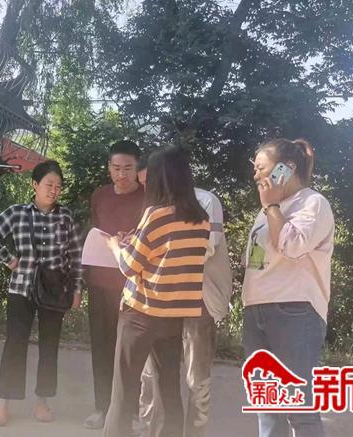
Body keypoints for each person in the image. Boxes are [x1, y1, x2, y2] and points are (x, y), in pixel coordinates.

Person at [103, 145, 211, 437]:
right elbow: (169, 258)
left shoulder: (156, 214)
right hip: (174, 316)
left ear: (161, 178)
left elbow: (129, 266)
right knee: (168, 389)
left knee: (123, 390)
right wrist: (134, 241)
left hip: (140, 314)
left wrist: (115, 246)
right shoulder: (201, 220)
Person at [0, 160, 84, 427]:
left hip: (54, 291)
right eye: (49, 184)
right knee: (15, 344)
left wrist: (76, 288)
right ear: (35, 185)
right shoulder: (17, 213)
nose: (54, 190)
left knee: (49, 346)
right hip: (21, 288)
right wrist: (8, 259)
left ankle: (42, 402)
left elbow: (75, 255)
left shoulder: (65, 217)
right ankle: (2, 405)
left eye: (58, 186)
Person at [242, 138, 334, 437]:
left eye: (261, 168)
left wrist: (271, 205)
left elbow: (292, 246)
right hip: (257, 309)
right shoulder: (267, 210)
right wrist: (270, 207)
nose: (256, 175)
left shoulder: (312, 203)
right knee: (267, 405)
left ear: (287, 168)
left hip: (295, 311)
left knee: (299, 407)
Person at [139, 179, 233, 437]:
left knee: (197, 377)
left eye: (150, 178)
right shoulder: (153, 205)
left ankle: (194, 433)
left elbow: (207, 246)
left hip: (198, 300)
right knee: (151, 374)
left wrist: (158, 252)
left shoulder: (205, 201)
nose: (145, 185)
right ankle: (150, 431)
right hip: (159, 299)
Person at [84, 140, 147, 430]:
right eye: (116, 168)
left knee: (131, 350)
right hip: (100, 282)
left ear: (138, 169)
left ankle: (132, 411)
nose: (121, 175)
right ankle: (103, 408)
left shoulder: (149, 197)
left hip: (134, 287)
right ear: (109, 167)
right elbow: (96, 232)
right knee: (102, 347)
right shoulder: (100, 195)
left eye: (128, 168)